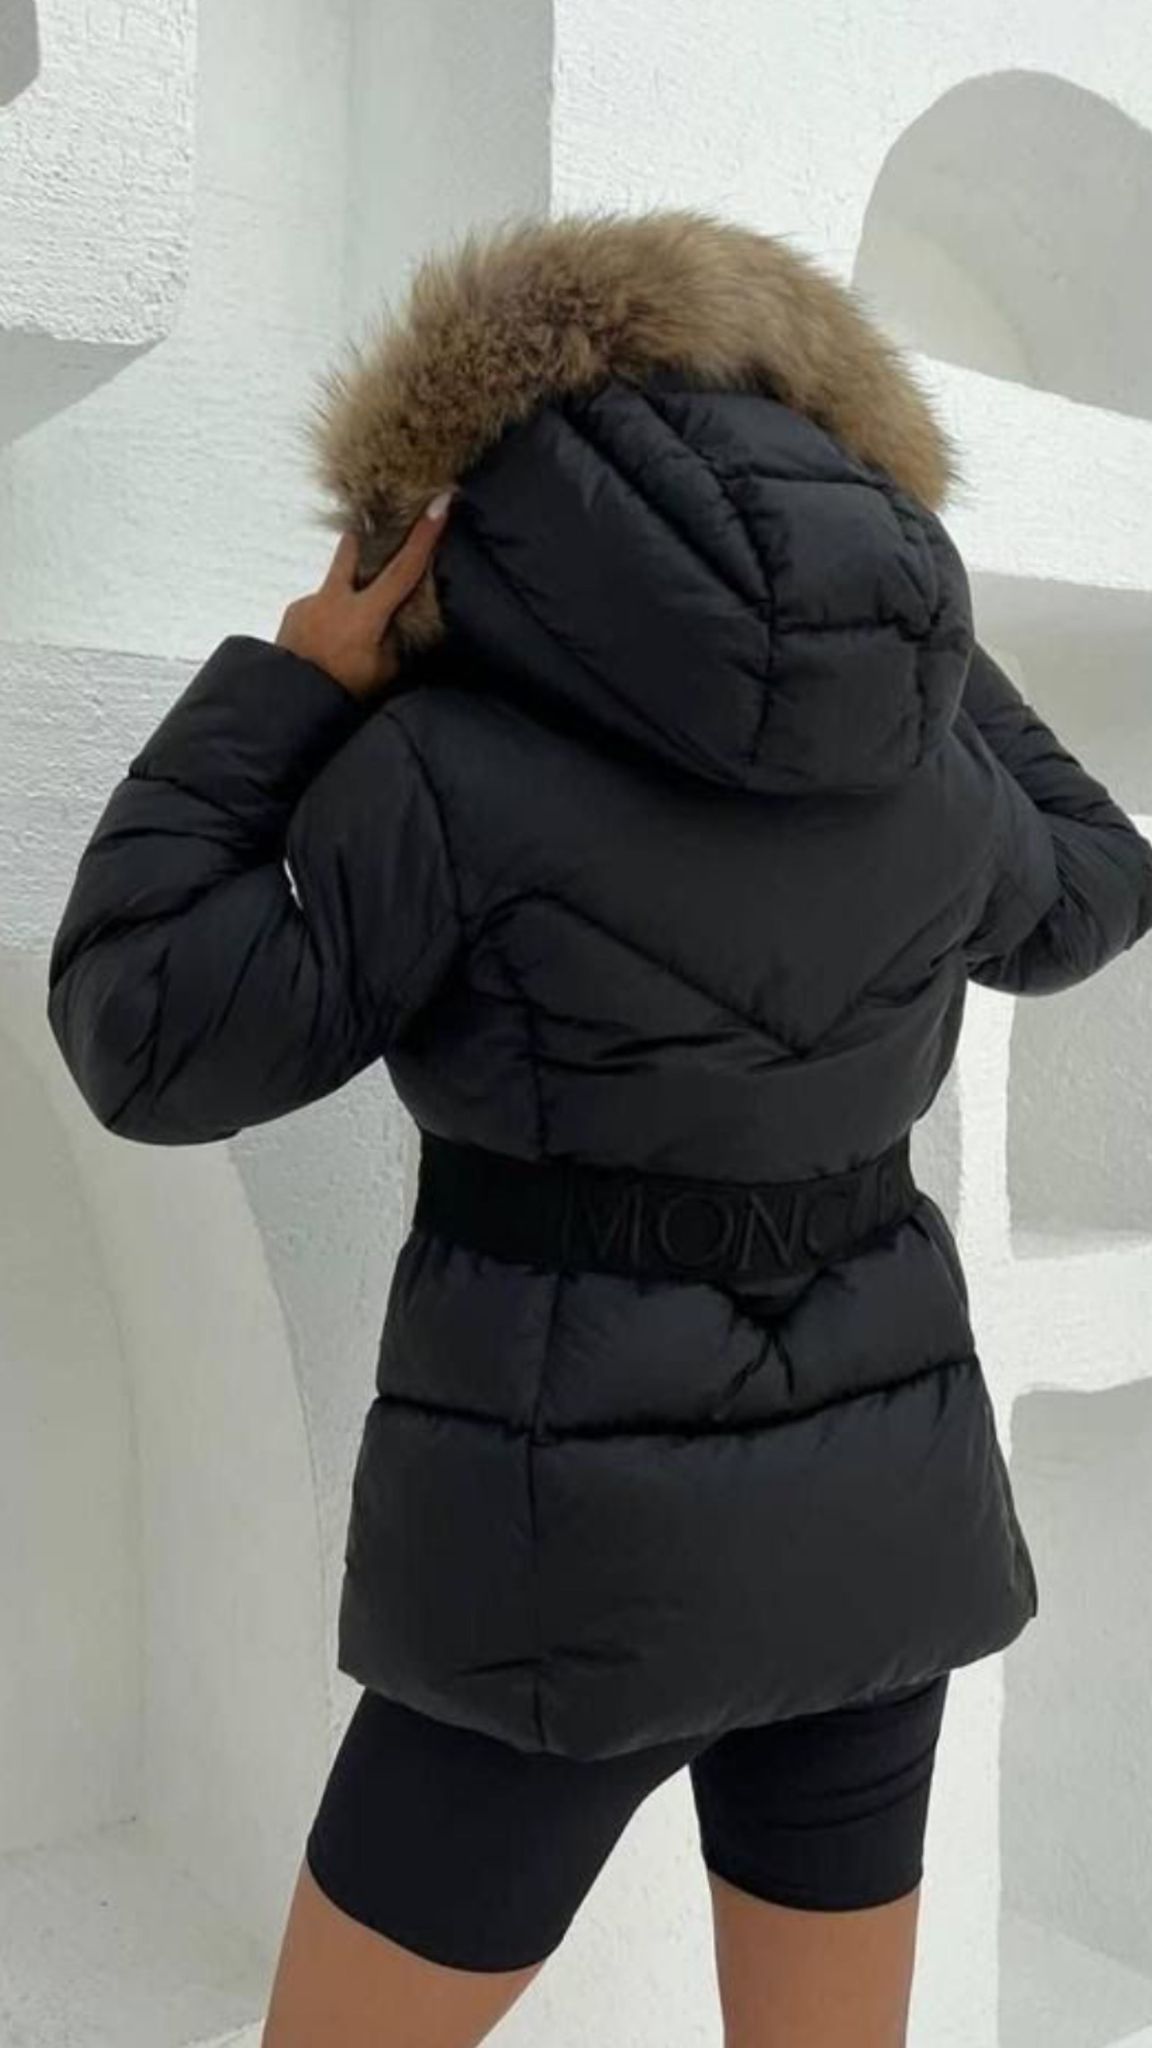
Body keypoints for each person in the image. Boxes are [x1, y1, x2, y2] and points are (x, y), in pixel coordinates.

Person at [45, 208, 1152, 2048]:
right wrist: (919, 670)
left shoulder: (444, 767)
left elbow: (147, 1038)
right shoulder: (942, 772)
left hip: (557, 1566)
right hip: (881, 1529)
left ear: (447, 506)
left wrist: (290, 686)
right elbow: (1097, 886)